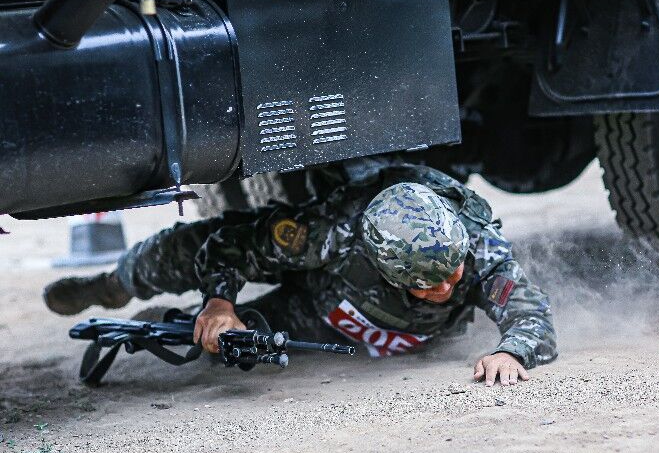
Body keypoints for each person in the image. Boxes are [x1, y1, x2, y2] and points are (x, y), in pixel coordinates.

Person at [44, 162, 557, 386]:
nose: (447, 288)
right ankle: (115, 285)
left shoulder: (478, 247)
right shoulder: (329, 235)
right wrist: (218, 302)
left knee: (227, 353)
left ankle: (168, 321)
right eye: (428, 283)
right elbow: (228, 245)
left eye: (452, 274)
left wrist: (511, 351)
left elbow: (530, 312)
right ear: (384, 268)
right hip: (324, 292)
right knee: (195, 247)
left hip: (309, 323)